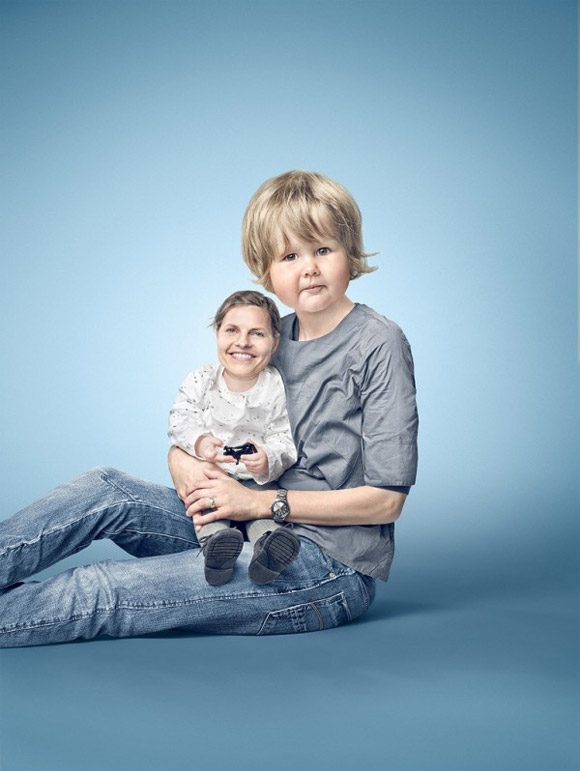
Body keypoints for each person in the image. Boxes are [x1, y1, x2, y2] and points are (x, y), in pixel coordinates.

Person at [0, 170, 418, 647]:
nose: (309, 268)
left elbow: (386, 500)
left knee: (105, 588)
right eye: (290, 255)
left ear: (349, 250)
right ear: (266, 272)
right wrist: (181, 459)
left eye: (323, 249)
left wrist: (263, 503)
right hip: (237, 524)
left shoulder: (379, 343)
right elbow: (204, 422)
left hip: (323, 568)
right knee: (106, 489)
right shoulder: (266, 336)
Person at [168, 289, 299, 586]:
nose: (242, 342)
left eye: (257, 334)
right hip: (212, 475)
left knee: (264, 516)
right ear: (217, 334)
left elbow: (284, 436)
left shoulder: (276, 386)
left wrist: (267, 458)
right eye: (232, 330)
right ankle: (217, 550)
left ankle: (270, 550)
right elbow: (180, 419)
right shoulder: (201, 380)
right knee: (208, 508)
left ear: (275, 342)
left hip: (257, 481)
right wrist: (200, 441)